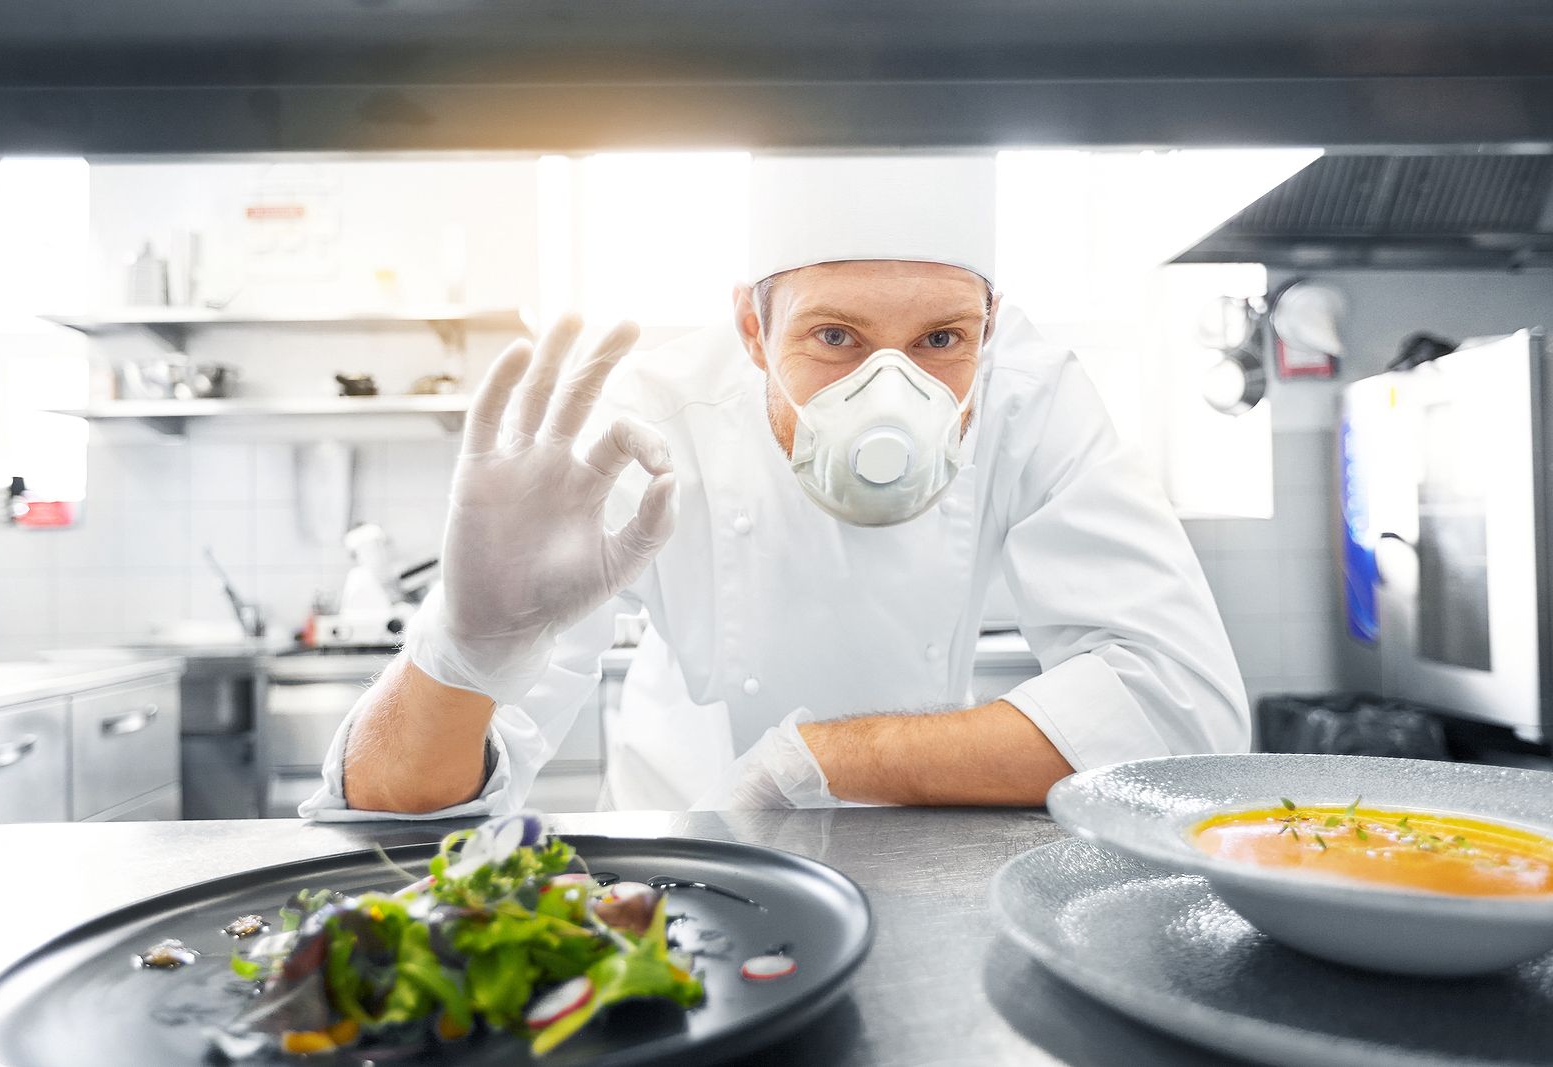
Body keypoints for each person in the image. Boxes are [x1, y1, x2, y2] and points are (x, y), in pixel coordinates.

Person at [302, 155, 1247, 818]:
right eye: (835, 337)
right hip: (681, 854)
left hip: (924, 847)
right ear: (753, 331)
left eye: (941, 341)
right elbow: (397, 809)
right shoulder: (647, 421)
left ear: (990, 326)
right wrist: (465, 650)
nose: (892, 395)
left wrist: (819, 761)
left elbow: (1185, 714)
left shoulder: (1032, 394)